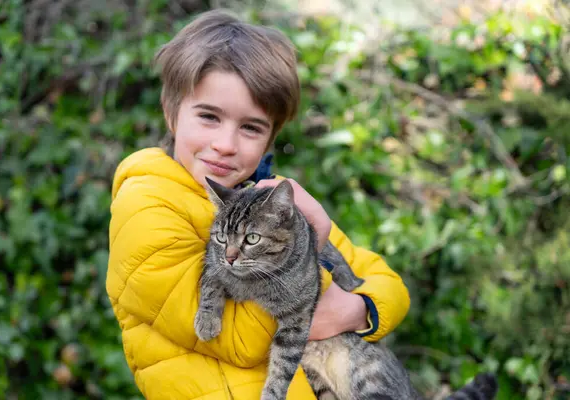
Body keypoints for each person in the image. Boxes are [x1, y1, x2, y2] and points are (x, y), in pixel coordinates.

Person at [106, 9, 410, 400]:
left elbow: (391, 287)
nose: (226, 144)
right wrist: (313, 262)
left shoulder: (270, 203)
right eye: (209, 117)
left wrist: (357, 309)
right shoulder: (146, 207)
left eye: (250, 127)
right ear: (171, 113)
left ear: (269, 140)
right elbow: (237, 340)